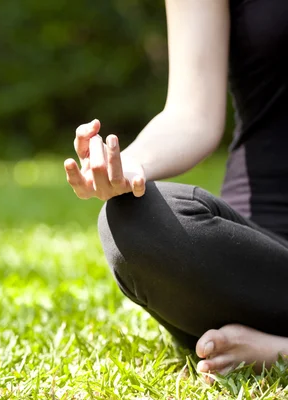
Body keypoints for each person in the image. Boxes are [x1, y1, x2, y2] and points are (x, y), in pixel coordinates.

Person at [64, 0, 288, 378]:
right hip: (263, 261)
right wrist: (127, 167)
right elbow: (191, 115)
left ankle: (279, 347)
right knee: (134, 219)